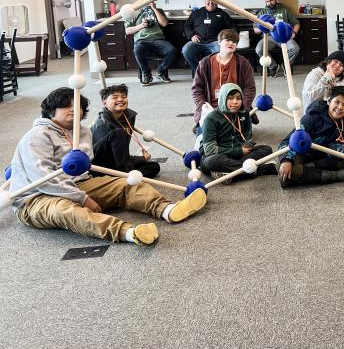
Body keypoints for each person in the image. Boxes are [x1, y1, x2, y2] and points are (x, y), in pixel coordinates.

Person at [9, 88, 207, 246]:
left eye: (76, 106)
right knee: (67, 210)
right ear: (51, 110)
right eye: (65, 105)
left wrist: (83, 193)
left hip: (77, 185)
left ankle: (167, 210)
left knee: (125, 183)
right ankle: (128, 233)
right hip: (35, 197)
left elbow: (86, 168)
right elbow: (43, 176)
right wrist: (83, 199)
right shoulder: (37, 136)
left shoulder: (83, 132)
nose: (72, 109)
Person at [277, 86, 344, 188]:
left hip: (321, 158)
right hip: (302, 154)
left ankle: (307, 169)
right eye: (337, 102)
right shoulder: (312, 117)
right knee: (285, 179)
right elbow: (286, 142)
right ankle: (338, 176)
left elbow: (332, 150)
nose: (340, 107)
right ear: (329, 101)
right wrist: (286, 160)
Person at [199, 83, 276, 184]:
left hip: (239, 154)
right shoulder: (211, 118)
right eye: (230, 98)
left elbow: (247, 138)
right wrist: (239, 151)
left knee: (267, 149)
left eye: (238, 98)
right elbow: (210, 150)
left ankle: (228, 173)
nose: (235, 102)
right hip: (219, 155)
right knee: (211, 162)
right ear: (223, 98)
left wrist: (247, 145)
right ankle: (254, 170)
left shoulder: (244, 113)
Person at [191, 29, 256, 135]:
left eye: (234, 41)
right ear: (219, 41)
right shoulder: (205, 63)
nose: (231, 43)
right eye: (228, 40)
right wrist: (203, 107)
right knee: (207, 139)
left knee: (233, 139)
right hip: (211, 108)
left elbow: (250, 88)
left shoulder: (243, 63)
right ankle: (202, 126)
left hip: (234, 108)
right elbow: (196, 90)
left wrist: (242, 107)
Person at [90, 84, 160, 179]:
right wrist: (140, 159)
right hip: (101, 165)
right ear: (104, 102)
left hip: (120, 162)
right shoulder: (101, 124)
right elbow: (109, 156)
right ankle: (126, 178)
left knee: (154, 167)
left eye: (124, 96)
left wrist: (139, 160)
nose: (120, 99)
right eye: (115, 97)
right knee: (118, 133)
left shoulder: (127, 116)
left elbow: (121, 154)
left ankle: (121, 178)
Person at [124, 0, 178, 86]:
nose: (150, 2)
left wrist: (154, 9)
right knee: (137, 49)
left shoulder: (159, 10)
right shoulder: (134, 12)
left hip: (158, 39)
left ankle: (160, 71)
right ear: (142, 2)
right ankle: (147, 74)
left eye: (152, 0)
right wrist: (142, 25)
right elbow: (128, 31)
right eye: (148, 1)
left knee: (172, 50)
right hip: (142, 41)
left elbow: (164, 24)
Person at [182, 0, 234, 75]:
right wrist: (191, 36)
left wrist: (226, 39)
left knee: (220, 52)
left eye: (213, 0)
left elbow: (233, 27)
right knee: (186, 50)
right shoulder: (197, 13)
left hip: (215, 41)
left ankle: (214, 73)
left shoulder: (222, 14)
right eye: (208, 0)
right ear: (205, 1)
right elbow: (187, 26)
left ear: (217, 2)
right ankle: (199, 71)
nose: (211, 3)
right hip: (198, 41)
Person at [253, 0, 300, 75]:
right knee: (259, 50)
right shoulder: (262, 13)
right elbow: (255, 29)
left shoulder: (285, 10)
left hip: (284, 36)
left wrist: (294, 33)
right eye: (267, 1)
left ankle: (286, 65)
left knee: (295, 49)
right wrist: (262, 28)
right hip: (269, 37)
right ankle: (273, 66)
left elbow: (296, 23)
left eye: (271, 0)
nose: (269, 3)